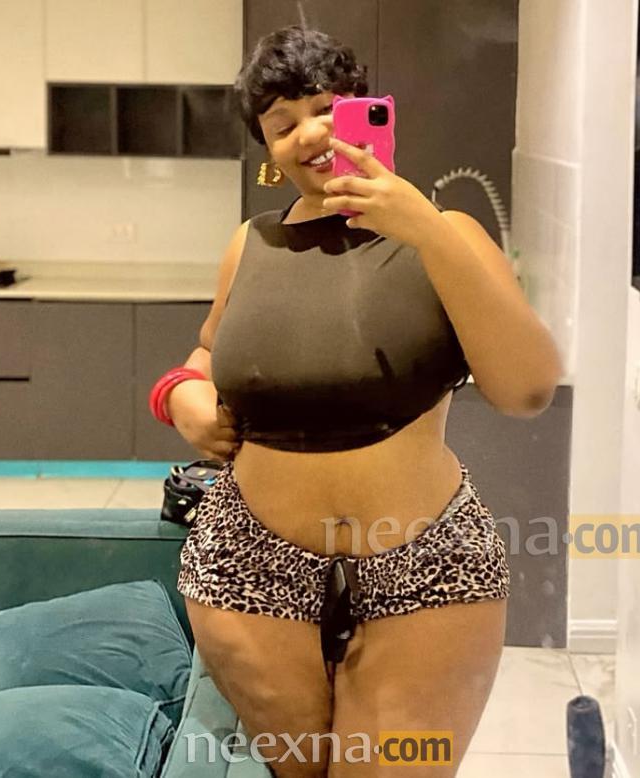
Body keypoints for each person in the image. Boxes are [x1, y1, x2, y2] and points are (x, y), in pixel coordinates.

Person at [158, 25, 563, 778]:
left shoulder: (447, 234)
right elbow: (209, 352)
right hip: (246, 564)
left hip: (428, 563)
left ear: (368, 109)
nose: (309, 134)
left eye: (325, 109)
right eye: (283, 124)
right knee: (302, 772)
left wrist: (424, 231)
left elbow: (527, 388)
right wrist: (179, 392)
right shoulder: (250, 244)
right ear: (268, 151)